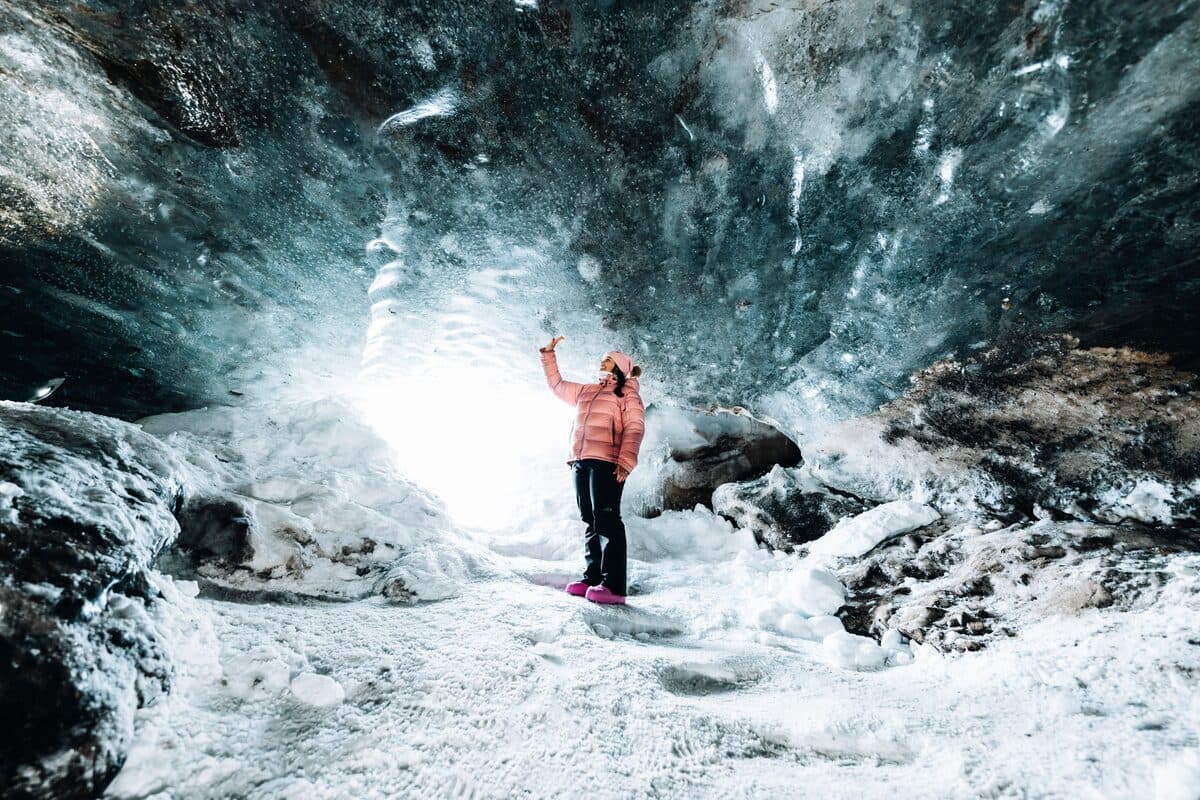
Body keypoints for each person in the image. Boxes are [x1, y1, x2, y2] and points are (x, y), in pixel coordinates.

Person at [539, 335, 645, 605]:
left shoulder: (627, 394)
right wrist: (548, 355)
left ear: (619, 366)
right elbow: (557, 385)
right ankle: (592, 578)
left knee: (608, 520)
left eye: (608, 359)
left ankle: (614, 586)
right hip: (581, 460)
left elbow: (634, 427)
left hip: (607, 461)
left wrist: (625, 461)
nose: (602, 362)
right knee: (590, 520)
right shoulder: (587, 390)